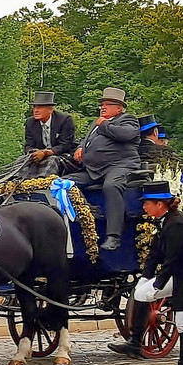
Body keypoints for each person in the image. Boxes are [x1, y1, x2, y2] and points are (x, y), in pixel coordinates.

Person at [108, 182, 183, 365]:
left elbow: (171, 261)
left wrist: (157, 284)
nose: (144, 207)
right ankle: (135, 343)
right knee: (140, 294)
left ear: (159, 204)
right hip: (179, 276)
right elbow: (154, 255)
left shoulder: (178, 225)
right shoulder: (163, 222)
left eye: (147, 203)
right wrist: (144, 279)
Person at [72, 87, 142, 254]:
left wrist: (104, 124)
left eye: (107, 104)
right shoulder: (96, 123)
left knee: (111, 186)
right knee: (65, 183)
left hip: (120, 165)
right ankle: (84, 215)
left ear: (119, 107)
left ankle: (114, 236)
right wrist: (81, 148)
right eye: (102, 104)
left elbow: (123, 135)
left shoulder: (129, 120)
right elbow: (86, 139)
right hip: (94, 169)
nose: (103, 107)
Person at [21, 91, 76, 177]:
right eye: (35, 107)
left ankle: (41, 183)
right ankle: (17, 182)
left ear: (50, 110)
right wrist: (33, 153)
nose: (36, 110)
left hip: (60, 155)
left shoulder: (65, 120)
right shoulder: (30, 122)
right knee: (22, 160)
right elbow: (28, 145)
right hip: (38, 154)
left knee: (52, 160)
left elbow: (66, 144)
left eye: (40, 108)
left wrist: (46, 153)